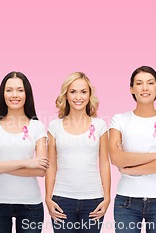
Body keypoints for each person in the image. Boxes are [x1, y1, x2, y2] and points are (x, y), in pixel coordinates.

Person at [109, 66, 156, 233]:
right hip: (126, 201)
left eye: (150, 83)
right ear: (131, 88)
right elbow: (116, 158)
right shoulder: (119, 120)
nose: (145, 88)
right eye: (139, 83)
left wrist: (129, 169)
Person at [0, 71, 49, 233]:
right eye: (9, 90)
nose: (14, 95)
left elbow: (40, 170)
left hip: (30, 205)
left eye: (20, 90)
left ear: (27, 94)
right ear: (3, 94)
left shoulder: (37, 127)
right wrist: (25, 162)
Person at [45, 72, 111, 233]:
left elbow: (104, 163)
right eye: (73, 91)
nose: (78, 97)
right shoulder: (55, 126)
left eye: (83, 92)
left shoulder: (100, 125)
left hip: (93, 200)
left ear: (89, 95)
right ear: (66, 95)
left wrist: (107, 198)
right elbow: (51, 165)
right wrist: (48, 198)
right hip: (62, 200)